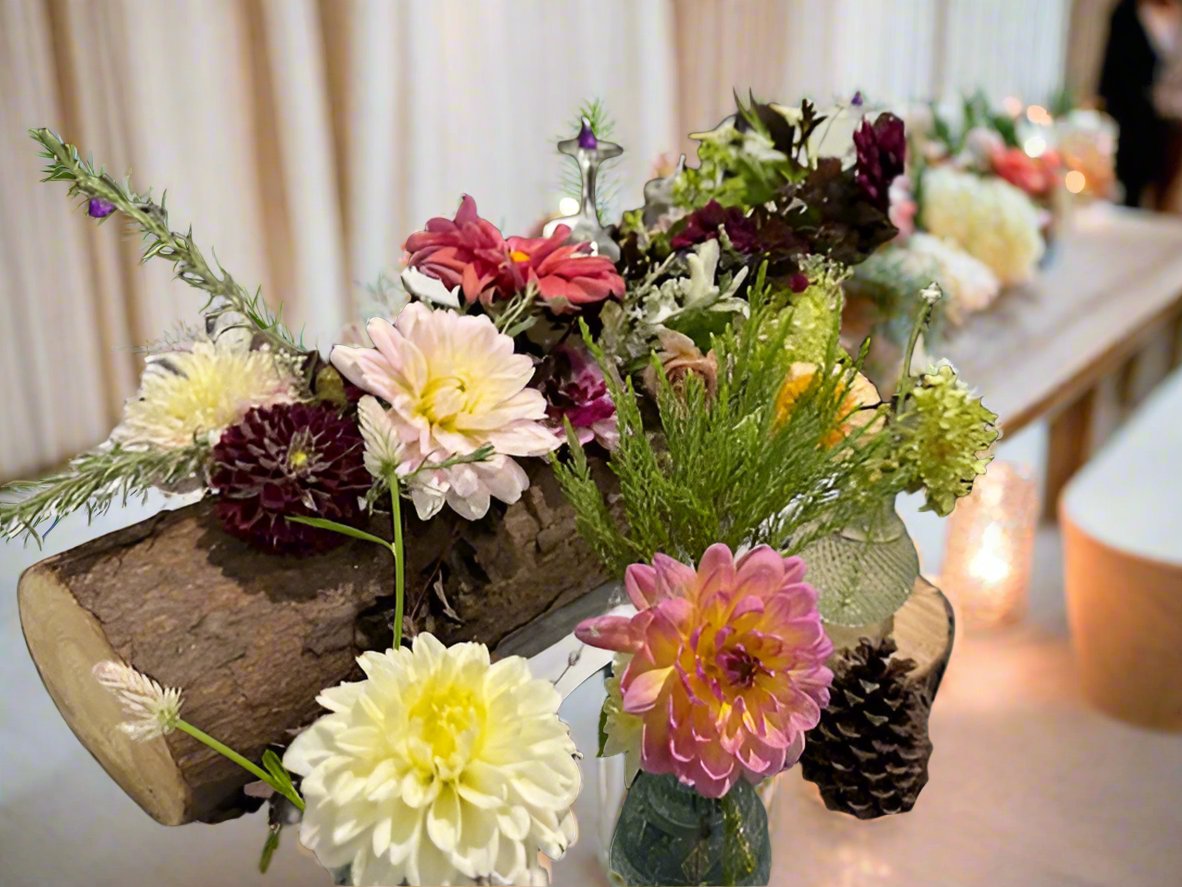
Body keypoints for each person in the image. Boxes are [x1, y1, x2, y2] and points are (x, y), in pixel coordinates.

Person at [1099, 0, 1182, 208]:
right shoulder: (1127, 12)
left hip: (1173, 115)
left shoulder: (1177, 15)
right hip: (1131, 115)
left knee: (1165, 190)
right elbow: (1112, 66)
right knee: (1130, 183)